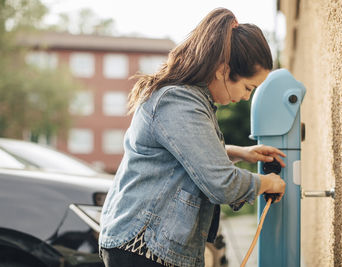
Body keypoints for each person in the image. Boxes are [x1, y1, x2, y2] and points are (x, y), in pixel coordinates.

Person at [99, 7, 286, 267]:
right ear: (223, 70)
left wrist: (238, 152)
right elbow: (221, 183)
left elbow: (182, 153)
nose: (246, 97)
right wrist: (268, 183)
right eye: (247, 87)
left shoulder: (190, 99)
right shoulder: (178, 102)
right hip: (142, 246)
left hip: (148, 247)